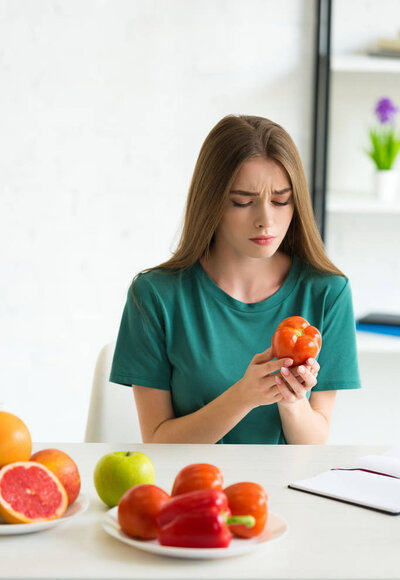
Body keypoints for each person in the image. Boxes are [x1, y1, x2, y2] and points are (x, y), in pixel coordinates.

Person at [109, 114, 361, 444]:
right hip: (192, 491)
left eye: (281, 200)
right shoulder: (154, 296)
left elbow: (314, 446)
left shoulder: (328, 293)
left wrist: (292, 401)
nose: (265, 220)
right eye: (243, 202)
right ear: (211, 202)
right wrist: (244, 395)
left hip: (285, 491)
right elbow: (158, 441)